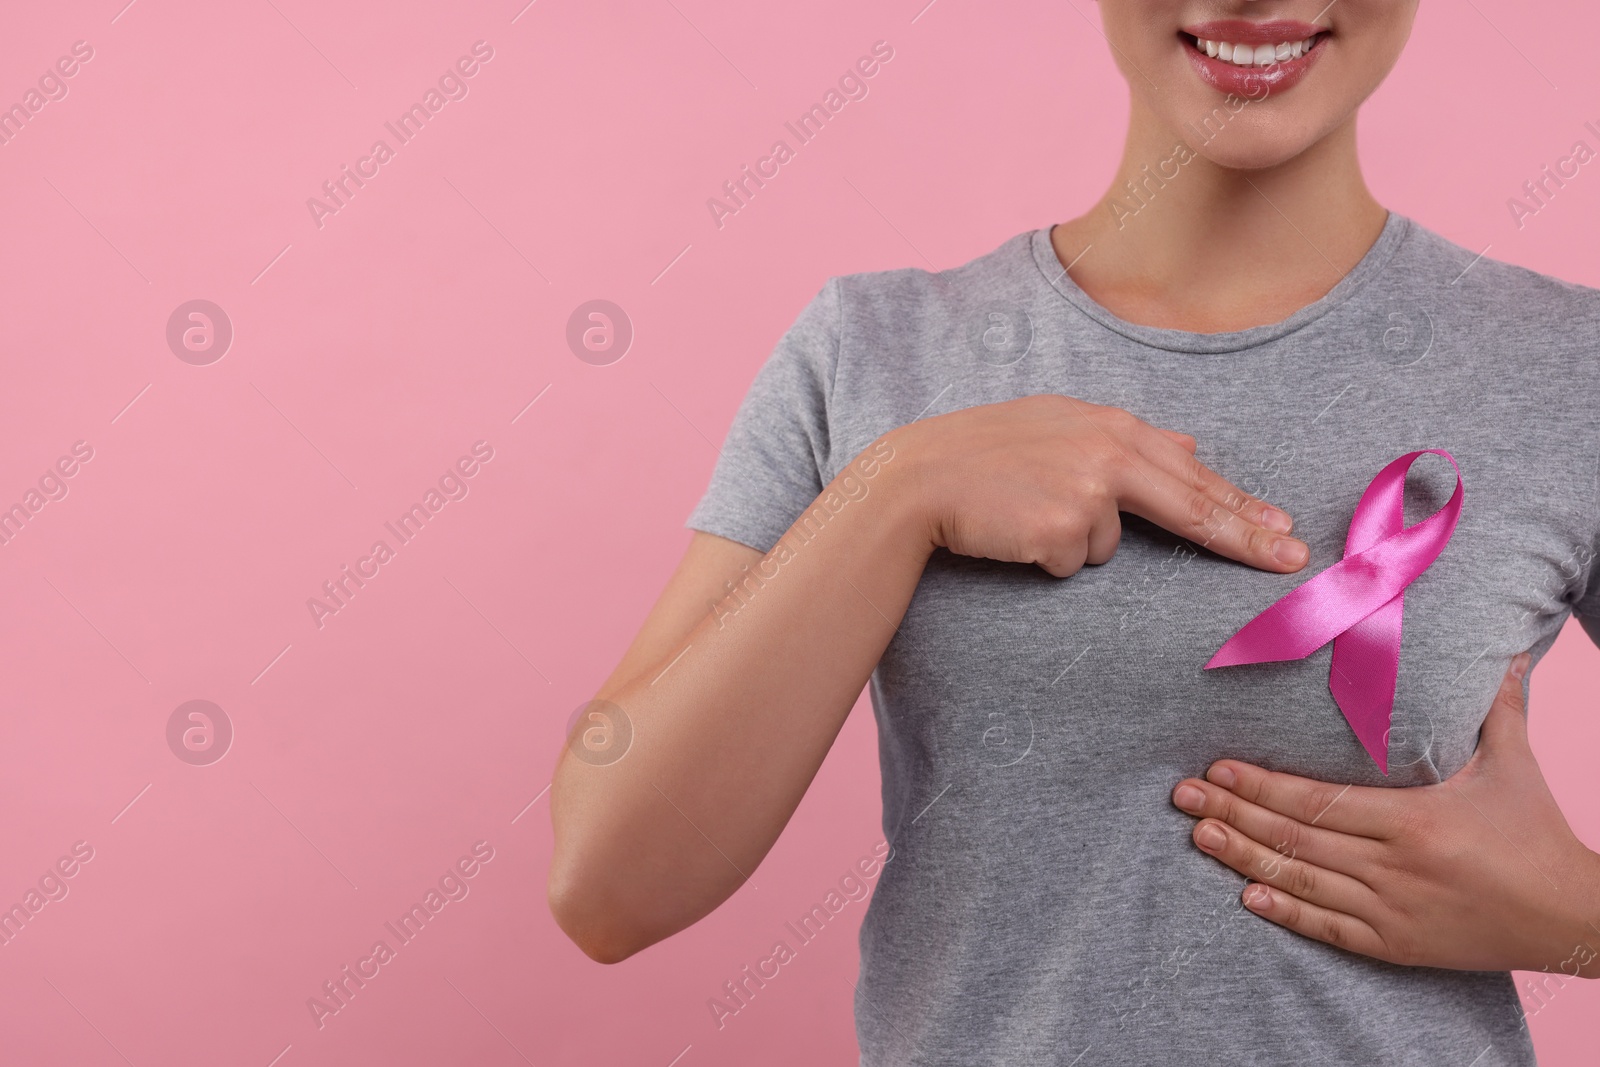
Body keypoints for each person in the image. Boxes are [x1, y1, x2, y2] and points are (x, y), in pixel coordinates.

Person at [548, 2, 1600, 1062]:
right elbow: (609, 882)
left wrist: (1573, 918)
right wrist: (896, 490)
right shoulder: (871, 353)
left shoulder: (1567, 370)